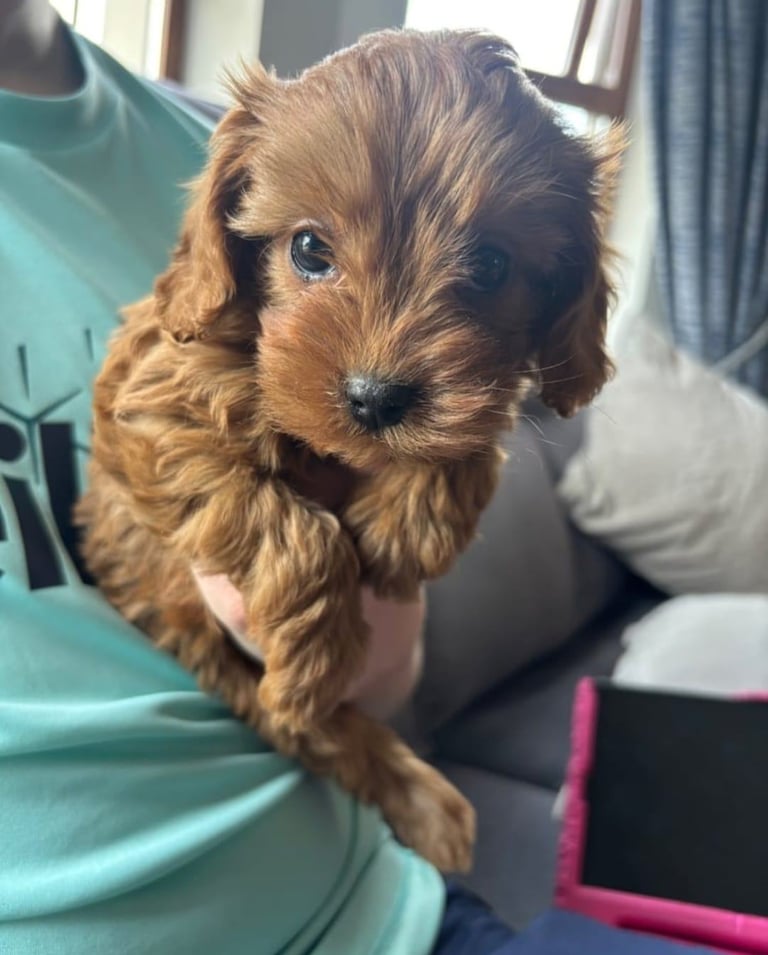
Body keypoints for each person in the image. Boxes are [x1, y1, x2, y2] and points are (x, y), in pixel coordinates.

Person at [0, 4, 719, 954]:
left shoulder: (201, 131)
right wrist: (297, 571)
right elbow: (157, 422)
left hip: (390, 913)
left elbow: (380, 661)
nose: (381, 355)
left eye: (487, 266)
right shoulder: (242, 193)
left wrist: (389, 590)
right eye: (312, 254)